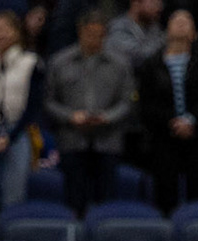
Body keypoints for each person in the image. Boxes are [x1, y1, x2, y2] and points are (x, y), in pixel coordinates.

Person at [46, 9, 137, 213]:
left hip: (108, 141)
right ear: (80, 32)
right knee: (75, 200)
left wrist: (107, 117)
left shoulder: (120, 64)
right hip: (72, 139)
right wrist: (71, 116)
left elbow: (127, 101)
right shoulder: (60, 62)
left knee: (106, 202)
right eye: (90, 34)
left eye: (99, 34)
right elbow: (49, 102)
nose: (94, 39)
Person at [136, 9, 198, 215]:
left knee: (197, 196)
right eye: (176, 20)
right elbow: (145, 104)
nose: (181, 23)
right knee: (165, 196)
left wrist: (192, 121)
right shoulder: (151, 65)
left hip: (197, 136)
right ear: (166, 30)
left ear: (195, 33)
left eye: (187, 21)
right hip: (163, 138)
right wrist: (170, 122)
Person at [0, 12, 44, 217]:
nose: (0, 33)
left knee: (14, 195)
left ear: (17, 32)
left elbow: (33, 105)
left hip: (18, 131)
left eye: (6, 28)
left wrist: (9, 137)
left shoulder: (30, 62)